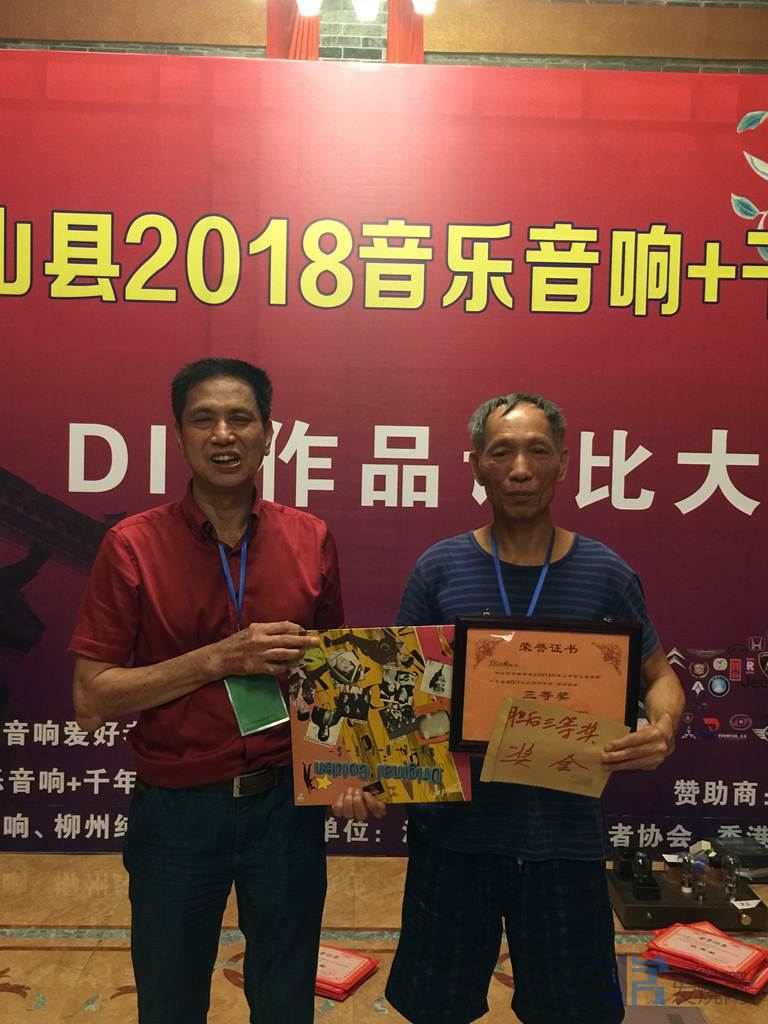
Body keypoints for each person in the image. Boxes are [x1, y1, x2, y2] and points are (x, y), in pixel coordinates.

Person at [384, 392, 685, 1024]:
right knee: (435, 1008)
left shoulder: (606, 573)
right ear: (476, 465)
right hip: (455, 836)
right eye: (501, 452)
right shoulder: (439, 569)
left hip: (563, 839)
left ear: (563, 463)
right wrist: (366, 776)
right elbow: (399, 698)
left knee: (572, 1013)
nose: (519, 469)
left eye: (537, 451)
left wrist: (662, 726)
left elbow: (658, 675)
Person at [70, 357, 343, 1024]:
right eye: (204, 419)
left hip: (285, 810)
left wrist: (348, 775)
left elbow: (333, 678)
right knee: (170, 1001)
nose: (223, 434)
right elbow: (92, 699)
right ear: (179, 436)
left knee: (286, 1003)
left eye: (240, 418)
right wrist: (220, 658)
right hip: (178, 812)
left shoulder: (310, 538)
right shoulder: (131, 545)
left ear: (269, 434)